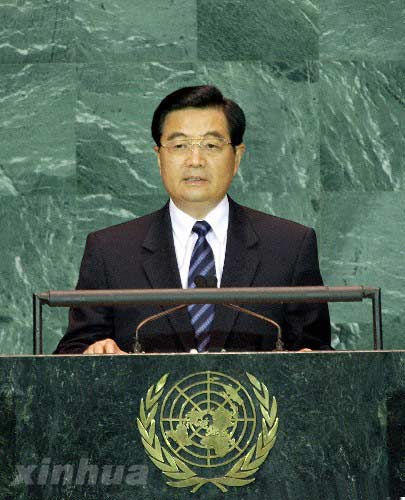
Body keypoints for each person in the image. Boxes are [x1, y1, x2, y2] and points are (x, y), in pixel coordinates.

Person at [54, 85, 331, 355]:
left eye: (211, 145)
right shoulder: (111, 250)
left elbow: (320, 355)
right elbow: (70, 354)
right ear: (159, 158)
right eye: (180, 145)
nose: (195, 160)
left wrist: (312, 360)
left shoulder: (289, 246)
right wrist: (94, 352)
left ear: (237, 157)